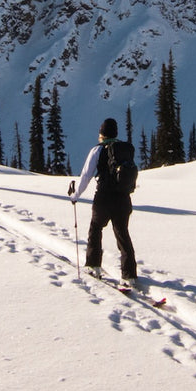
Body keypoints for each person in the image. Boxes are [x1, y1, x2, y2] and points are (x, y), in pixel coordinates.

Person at [70, 117, 138, 288]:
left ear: (101, 134)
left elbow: (86, 176)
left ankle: (94, 266)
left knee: (95, 228)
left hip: (104, 197)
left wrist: (75, 195)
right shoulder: (125, 149)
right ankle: (129, 275)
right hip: (123, 198)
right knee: (122, 233)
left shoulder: (97, 150)